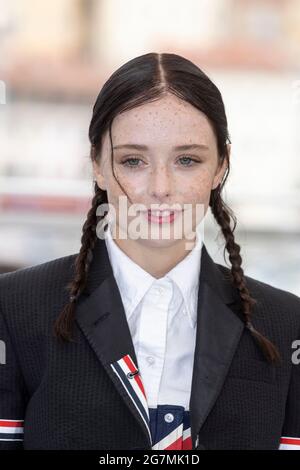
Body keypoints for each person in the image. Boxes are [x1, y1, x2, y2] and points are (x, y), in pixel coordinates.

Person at [0, 52, 300, 450]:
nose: (160, 187)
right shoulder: (14, 308)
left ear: (221, 166)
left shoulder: (286, 325)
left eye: (187, 160)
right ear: (97, 164)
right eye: (134, 160)